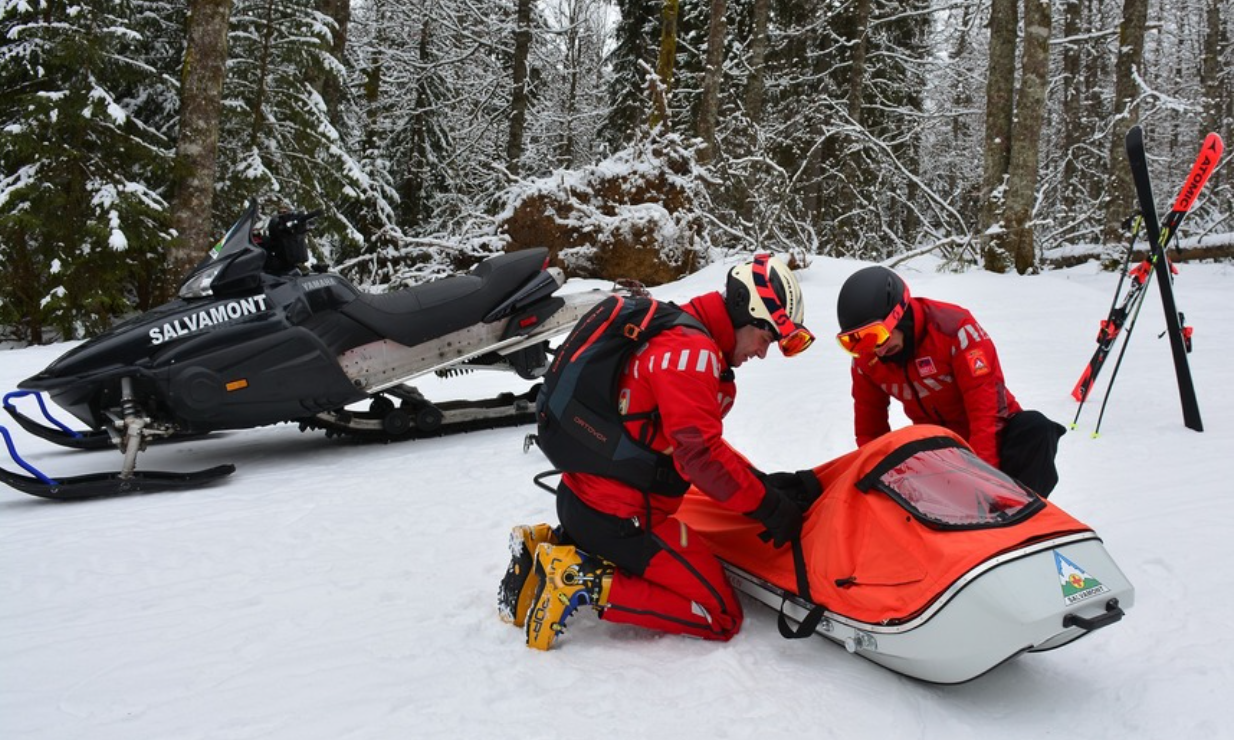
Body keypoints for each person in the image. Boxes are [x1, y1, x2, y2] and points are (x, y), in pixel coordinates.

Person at [500, 254, 820, 650]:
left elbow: (697, 445)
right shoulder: (692, 352)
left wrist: (764, 485)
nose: (762, 352)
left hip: (585, 501)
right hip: (625, 519)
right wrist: (769, 507)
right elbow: (700, 457)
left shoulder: (676, 328)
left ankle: (544, 548)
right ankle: (580, 580)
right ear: (745, 314)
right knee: (721, 615)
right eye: (766, 338)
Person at [834, 265, 1066, 497]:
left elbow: (986, 414)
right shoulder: (867, 359)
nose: (877, 350)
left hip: (997, 439)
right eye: (858, 340)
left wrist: (982, 486)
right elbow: (870, 432)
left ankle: (1024, 515)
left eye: (878, 335)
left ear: (900, 315)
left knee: (1036, 428)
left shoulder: (955, 330)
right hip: (941, 447)